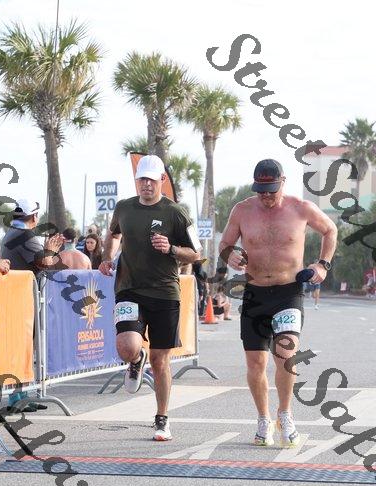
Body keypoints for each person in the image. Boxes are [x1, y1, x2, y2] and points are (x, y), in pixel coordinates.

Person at [219, 159, 337, 448]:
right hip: (255, 293)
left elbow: (330, 230)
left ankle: (285, 414)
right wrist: (229, 255)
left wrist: (322, 265)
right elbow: (225, 245)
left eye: (271, 190)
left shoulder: (301, 208)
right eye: (261, 191)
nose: (266, 196)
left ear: (283, 182)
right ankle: (263, 418)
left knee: (285, 354)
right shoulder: (242, 210)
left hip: (288, 292)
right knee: (256, 361)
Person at [99, 155, 201, 441]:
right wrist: (107, 257)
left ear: (162, 181)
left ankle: (162, 418)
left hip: (164, 292)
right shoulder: (124, 207)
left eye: (151, 180)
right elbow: (113, 235)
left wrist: (171, 249)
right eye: (141, 179)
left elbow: (197, 253)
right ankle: (135, 358)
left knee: (160, 361)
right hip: (129, 289)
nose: (146, 184)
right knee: (126, 346)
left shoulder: (176, 213)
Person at [1, 198, 64, 412]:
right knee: (23, 349)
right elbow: (45, 263)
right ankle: (17, 398)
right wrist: (50, 250)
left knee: (23, 349)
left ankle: (21, 396)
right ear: (34, 216)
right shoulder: (25, 235)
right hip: (23, 301)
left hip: (18, 299)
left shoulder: (12, 232)